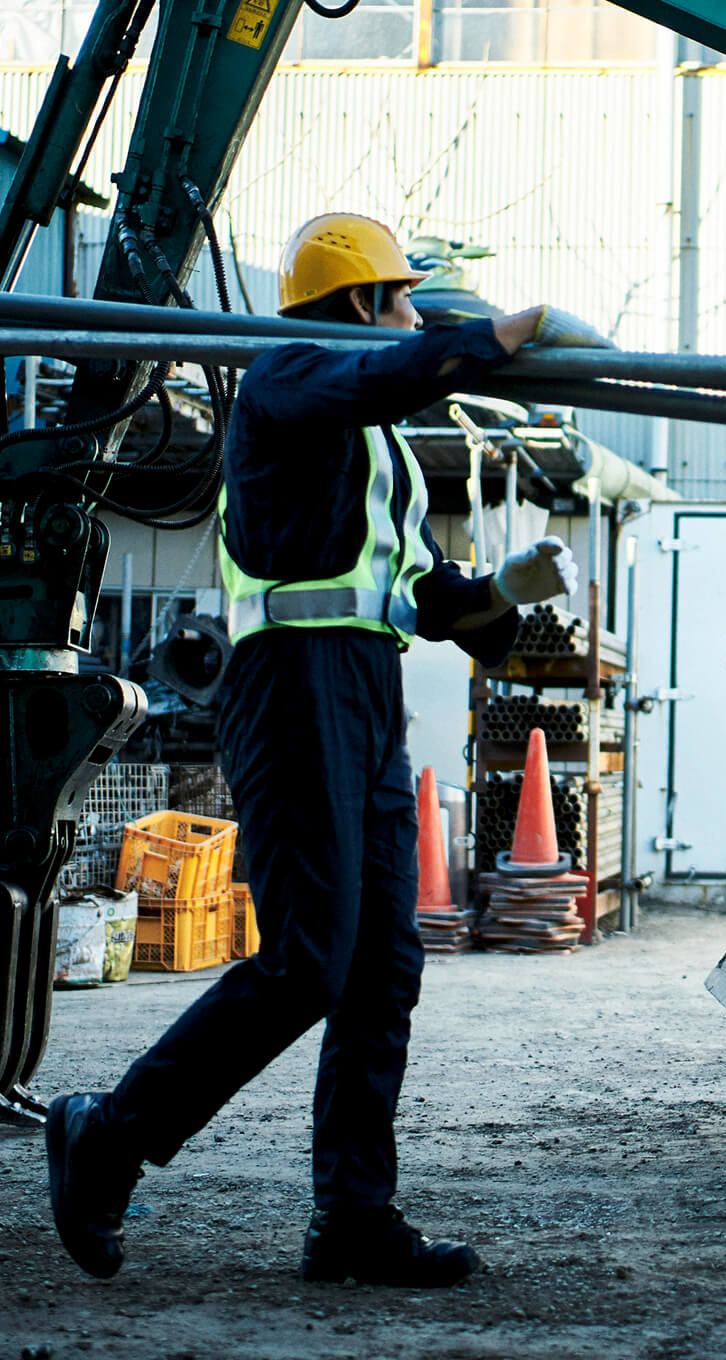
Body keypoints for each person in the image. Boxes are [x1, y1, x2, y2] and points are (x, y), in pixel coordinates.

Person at [47, 213, 603, 1287]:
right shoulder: (289, 380)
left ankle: (353, 1218)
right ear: (360, 307)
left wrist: (507, 594)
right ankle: (108, 1137)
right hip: (292, 686)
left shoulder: (376, 450)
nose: (415, 318)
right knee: (309, 958)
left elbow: (433, 601)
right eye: (403, 300)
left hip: (359, 688)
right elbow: (379, 378)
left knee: (382, 962)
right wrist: (496, 335)